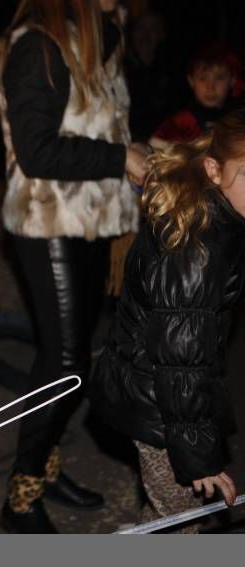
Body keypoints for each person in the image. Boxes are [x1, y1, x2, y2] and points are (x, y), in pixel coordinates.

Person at [0, 0, 149, 532]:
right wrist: (120, 156)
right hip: (48, 219)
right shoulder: (39, 44)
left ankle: (43, 466)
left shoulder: (99, 37)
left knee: (70, 357)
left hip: (90, 217)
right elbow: (36, 152)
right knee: (65, 365)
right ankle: (21, 497)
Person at [91, 109, 245, 533]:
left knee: (170, 520)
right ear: (214, 169)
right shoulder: (201, 249)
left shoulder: (212, 214)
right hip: (158, 403)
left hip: (157, 392)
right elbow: (181, 359)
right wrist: (196, 454)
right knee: (178, 522)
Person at [150, 42, 239, 149]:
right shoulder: (180, 122)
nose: (210, 87)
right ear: (191, 81)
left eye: (219, 78)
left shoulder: (237, 122)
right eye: (202, 78)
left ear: (232, 80)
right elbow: (153, 145)